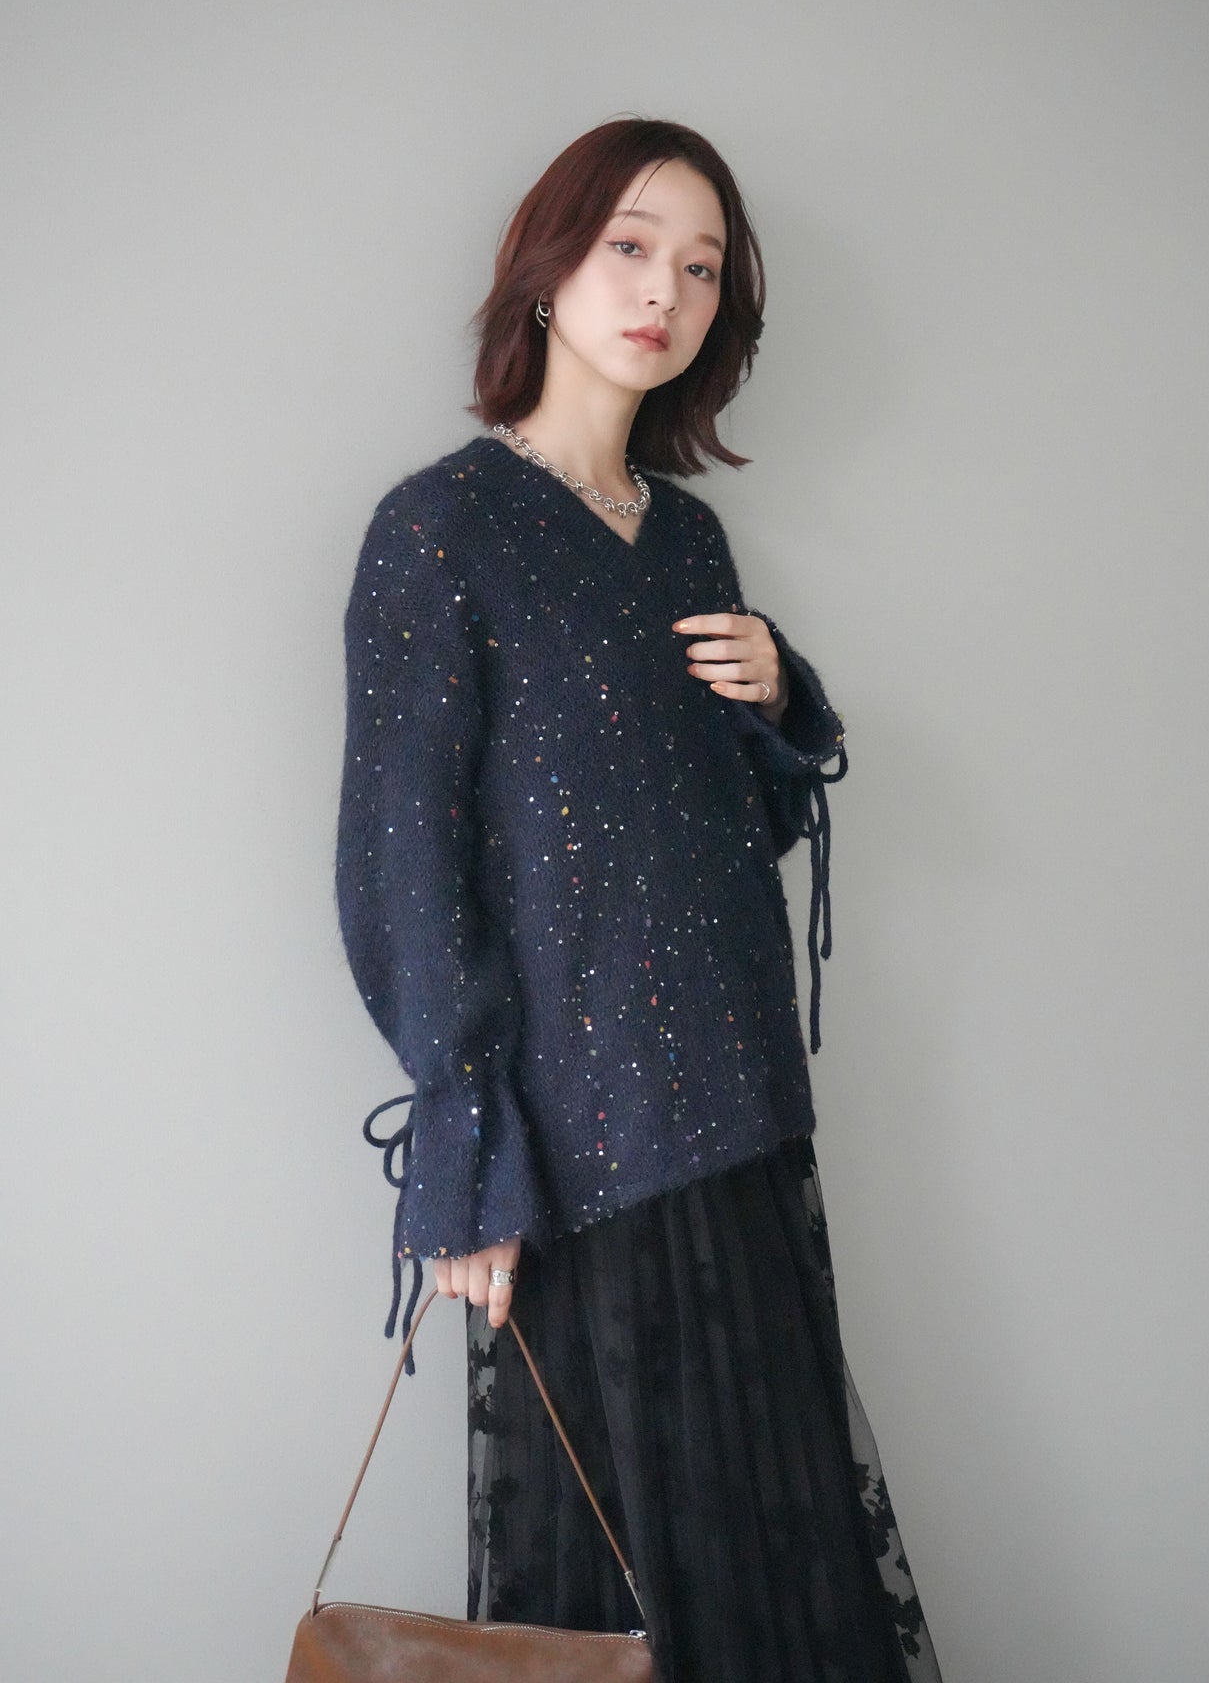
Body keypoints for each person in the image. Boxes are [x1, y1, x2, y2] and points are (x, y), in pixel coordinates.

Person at [335, 114, 944, 1683]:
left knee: (764, 1537)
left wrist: (779, 697)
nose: (663, 290)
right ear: (547, 268)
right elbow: (402, 859)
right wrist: (467, 1145)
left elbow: (720, 834)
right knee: (603, 1588)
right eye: (629, 246)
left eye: (700, 266)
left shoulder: (687, 540)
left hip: (736, 1102)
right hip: (574, 1134)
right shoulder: (441, 530)